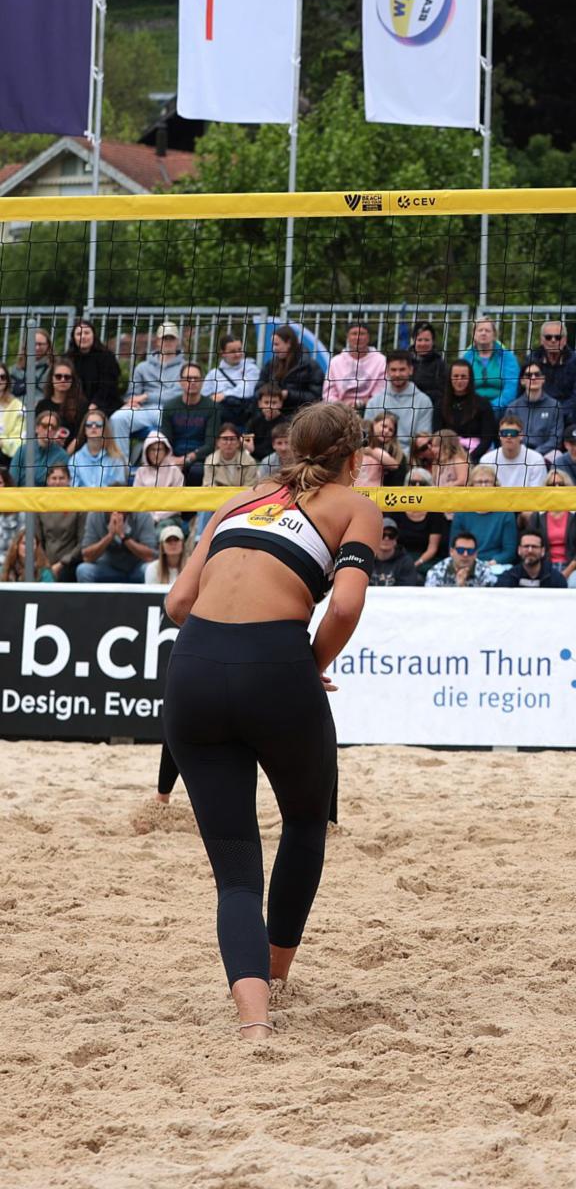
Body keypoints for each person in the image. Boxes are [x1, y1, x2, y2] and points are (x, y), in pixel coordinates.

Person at [159, 399, 381, 1039]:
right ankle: (279, 976)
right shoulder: (353, 505)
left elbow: (178, 601)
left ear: (290, 450)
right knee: (306, 823)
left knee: (234, 872)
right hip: (277, 667)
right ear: (353, 457)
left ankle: (254, 1023)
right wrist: (305, 663)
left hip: (194, 669)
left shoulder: (239, 502)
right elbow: (345, 607)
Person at [108, 321, 185, 453]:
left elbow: (177, 395)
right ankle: (121, 467)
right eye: (164, 338)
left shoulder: (185, 367)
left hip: (170, 410)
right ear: (158, 341)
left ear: (177, 341)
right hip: (144, 410)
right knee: (117, 418)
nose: (168, 341)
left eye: (171, 338)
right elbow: (132, 394)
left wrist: (147, 396)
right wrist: (131, 401)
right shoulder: (142, 367)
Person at [449, 465, 517, 565]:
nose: (484, 486)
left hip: (495, 565)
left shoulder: (506, 513)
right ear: (471, 486)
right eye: (479, 482)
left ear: (495, 486)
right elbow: (453, 546)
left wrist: (490, 564)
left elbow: (509, 551)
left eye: (487, 482)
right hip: (466, 561)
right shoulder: (462, 512)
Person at [362, 348, 434, 442]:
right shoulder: (374, 402)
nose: (397, 374)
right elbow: (367, 437)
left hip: (410, 455)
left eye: (402, 370)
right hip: (377, 453)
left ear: (411, 370)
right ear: (387, 371)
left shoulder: (424, 402)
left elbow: (423, 441)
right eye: (393, 370)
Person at [499, 365, 567, 458]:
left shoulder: (554, 406)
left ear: (543, 379)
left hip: (545, 454)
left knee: (556, 455)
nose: (533, 378)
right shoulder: (513, 407)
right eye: (528, 375)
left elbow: (556, 439)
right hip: (518, 453)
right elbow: (507, 433)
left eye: (537, 374)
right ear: (522, 381)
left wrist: (535, 454)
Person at [77, 507, 159, 583]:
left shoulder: (143, 515)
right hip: (108, 567)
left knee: (152, 569)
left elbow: (150, 556)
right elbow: (87, 557)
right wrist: (109, 536)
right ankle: (92, 599)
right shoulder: (95, 515)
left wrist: (123, 537)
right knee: (84, 570)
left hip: (137, 568)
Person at [436, 359, 498, 459]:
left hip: (476, 456)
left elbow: (488, 438)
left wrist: (469, 458)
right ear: (450, 378)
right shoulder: (440, 404)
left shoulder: (483, 404)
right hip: (447, 455)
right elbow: (437, 434)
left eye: (463, 376)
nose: (459, 380)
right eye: (456, 376)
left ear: (470, 379)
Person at [390, 469, 447, 570]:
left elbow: (432, 548)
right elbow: (390, 541)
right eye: (412, 483)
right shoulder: (397, 509)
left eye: (422, 483)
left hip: (424, 560)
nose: (417, 487)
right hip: (399, 557)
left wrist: (416, 564)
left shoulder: (435, 513)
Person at [323, 320, 387, 409]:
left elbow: (381, 392)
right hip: (339, 410)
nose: (358, 337)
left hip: (371, 408)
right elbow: (328, 394)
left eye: (362, 334)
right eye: (354, 333)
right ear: (347, 337)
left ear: (368, 337)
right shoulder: (335, 362)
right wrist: (342, 405)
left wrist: (361, 403)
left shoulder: (381, 360)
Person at [461, 317, 520, 409]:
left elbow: (511, 388)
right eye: (480, 330)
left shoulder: (508, 357)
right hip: (471, 409)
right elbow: (461, 387)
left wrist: (491, 407)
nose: (483, 333)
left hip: (501, 410)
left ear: (494, 335)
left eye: (487, 330)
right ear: (473, 334)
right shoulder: (466, 358)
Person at [66, 319, 122, 413]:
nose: (83, 337)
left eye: (87, 333)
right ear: (73, 338)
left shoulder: (107, 357)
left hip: (105, 404)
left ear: (93, 335)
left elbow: (108, 386)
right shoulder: (67, 359)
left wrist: (95, 404)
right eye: (79, 334)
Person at [478, 414, 550, 488]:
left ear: (521, 436)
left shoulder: (536, 460)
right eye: (504, 433)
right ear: (499, 436)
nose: (509, 437)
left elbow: (537, 494)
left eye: (513, 433)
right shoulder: (486, 460)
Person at [263, 326, 323, 414]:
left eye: (276, 344)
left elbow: (316, 397)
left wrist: (289, 395)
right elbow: (258, 388)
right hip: (272, 416)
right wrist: (269, 395)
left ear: (288, 343)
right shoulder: (270, 364)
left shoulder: (310, 366)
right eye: (272, 345)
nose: (273, 348)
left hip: (300, 415)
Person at [205, 335, 261, 425]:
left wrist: (223, 395)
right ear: (223, 353)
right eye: (232, 351)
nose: (238, 354)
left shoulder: (251, 368)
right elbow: (204, 396)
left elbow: (248, 391)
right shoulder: (213, 374)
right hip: (219, 422)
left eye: (239, 350)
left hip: (245, 420)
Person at [533, 321, 576, 407]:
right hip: (538, 411)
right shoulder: (532, 360)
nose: (553, 340)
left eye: (558, 337)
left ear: (565, 340)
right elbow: (524, 391)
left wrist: (557, 412)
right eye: (548, 337)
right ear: (541, 340)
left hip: (569, 413)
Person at [130, 433, 185, 521]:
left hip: (170, 517)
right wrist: (150, 517)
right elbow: (137, 499)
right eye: (152, 450)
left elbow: (177, 503)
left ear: (166, 451)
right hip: (145, 518)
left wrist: (158, 517)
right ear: (146, 451)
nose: (156, 454)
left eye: (159, 450)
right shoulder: (141, 472)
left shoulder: (175, 471)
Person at [68, 408, 128, 488]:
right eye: (89, 424)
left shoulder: (116, 459)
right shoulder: (75, 460)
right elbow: (74, 490)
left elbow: (118, 489)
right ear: (84, 430)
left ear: (105, 429)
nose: (93, 427)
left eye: (98, 424)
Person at [37, 356, 88, 449]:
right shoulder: (42, 405)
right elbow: (36, 434)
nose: (62, 380)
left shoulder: (81, 405)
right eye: (58, 376)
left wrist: (64, 456)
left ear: (72, 380)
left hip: (71, 456)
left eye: (67, 377)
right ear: (51, 379)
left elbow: (80, 437)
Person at [493, 528, 571, 588]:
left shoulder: (556, 579)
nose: (530, 550)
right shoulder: (508, 577)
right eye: (526, 546)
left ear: (543, 551)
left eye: (534, 547)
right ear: (519, 550)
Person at [425, 529, 498, 587]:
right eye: (460, 550)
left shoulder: (485, 572)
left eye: (470, 551)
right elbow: (431, 602)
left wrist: (462, 586)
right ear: (451, 552)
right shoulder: (436, 572)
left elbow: (489, 603)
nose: (465, 554)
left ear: (475, 554)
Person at [367, 518, 425, 587]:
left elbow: (406, 590)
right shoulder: (366, 559)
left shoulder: (405, 562)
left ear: (396, 538)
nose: (386, 538)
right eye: (382, 534)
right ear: (375, 537)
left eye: (391, 535)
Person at [355, 412, 404, 487]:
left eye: (391, 430)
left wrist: (371, 452)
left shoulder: (385, 451)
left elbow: (394, 465)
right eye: (384, 426)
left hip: (374, 494)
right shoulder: (359, 440)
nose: (387, 431)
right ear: (374, 423)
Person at [407, 322, 449, 403]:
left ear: (432, 342)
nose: (423, 343)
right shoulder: (405, 362)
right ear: (414, 340)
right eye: (419, 340)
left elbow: (443, 392)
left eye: (426, 340)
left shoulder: (440, 365)